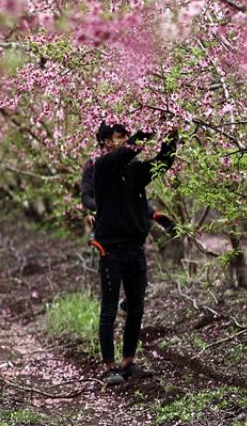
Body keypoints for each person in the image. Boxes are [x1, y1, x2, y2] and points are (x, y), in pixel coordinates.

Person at [86, 123, 179, 386]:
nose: (125, 140)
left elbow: (162, 163)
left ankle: (128, 362)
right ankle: (109, 366)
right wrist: (150, 128)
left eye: (127, 135)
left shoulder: (134, 170)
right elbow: (128, 151)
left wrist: (171, 138)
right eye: (120, 136)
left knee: (136, 308)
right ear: (106, 142)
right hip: (111, 250)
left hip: (135, 250)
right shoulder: (103, 166)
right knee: (109, 309)